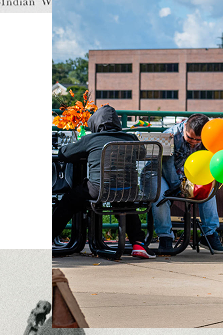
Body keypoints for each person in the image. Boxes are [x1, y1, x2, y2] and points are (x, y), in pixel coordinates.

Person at [51, 104, 158, 259]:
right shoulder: (131, 138)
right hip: (128, 190)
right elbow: (141, 154)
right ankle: (139, 244)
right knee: (125, 202)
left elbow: (64, 154)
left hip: (98, 189)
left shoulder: (91, 139)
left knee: (69, 201)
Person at [162, 114, 223, 253]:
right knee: (161, 196)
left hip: (190, 176)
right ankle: (165, 237)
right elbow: (167, 167)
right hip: (165, 174)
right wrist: (177, 188)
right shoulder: (170, 136)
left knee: (207, 193)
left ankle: (209, 234)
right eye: (190, 138)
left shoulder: (209, 138)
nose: (193, 142)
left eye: (198, 140)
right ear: (185, 126)